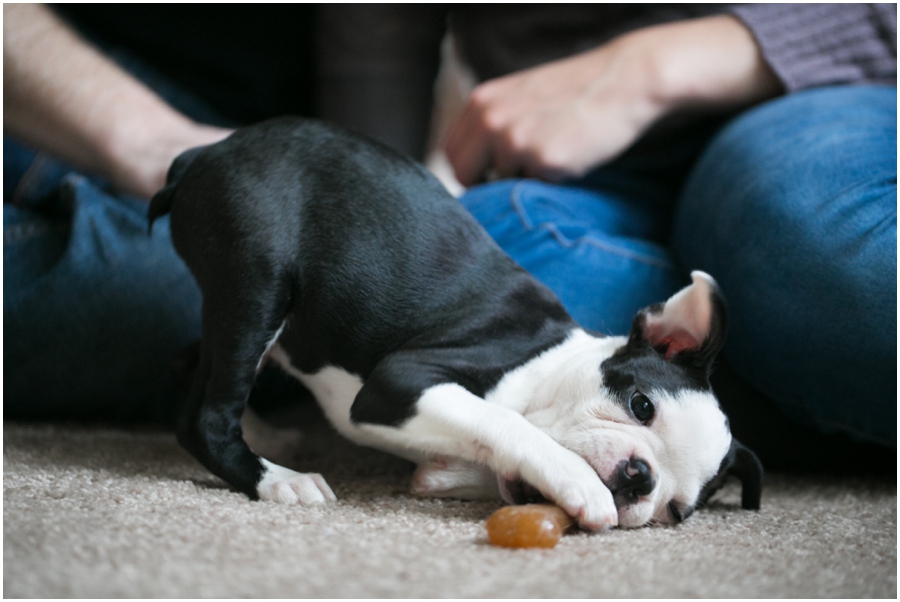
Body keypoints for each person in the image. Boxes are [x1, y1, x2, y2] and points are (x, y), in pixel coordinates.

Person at [437, 5, 897, 450]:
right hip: (579, 159)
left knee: (823, 252)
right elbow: (374, 40)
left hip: (821, 93)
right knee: (473, 255)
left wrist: (649, 68)